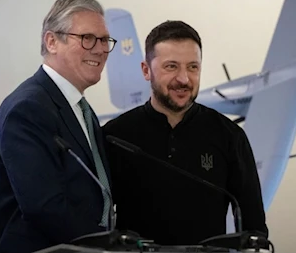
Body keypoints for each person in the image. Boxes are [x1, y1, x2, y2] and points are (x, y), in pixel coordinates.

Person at [102, 20, 268, 245]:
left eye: (193, 67)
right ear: (145, 70)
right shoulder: (114, 136)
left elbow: (254, 228)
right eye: (171, 66)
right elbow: (94, 221)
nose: (184, 79)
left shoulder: (230, 137)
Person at [0, 0, 117, 253]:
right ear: (51, 41)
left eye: (104, 40)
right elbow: (44, 207)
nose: (100, 49)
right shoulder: (28, 108)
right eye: (87, 38)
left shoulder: (82, 111)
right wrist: (107, 247)